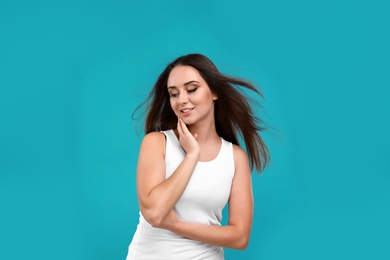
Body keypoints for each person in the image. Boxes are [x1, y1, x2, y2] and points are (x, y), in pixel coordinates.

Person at [126, 53, 270, 259]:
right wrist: (191, 156)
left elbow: (240, 237)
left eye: (191, 89)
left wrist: (177, 225)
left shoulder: (234, 157)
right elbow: (155, 213)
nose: (181, 100)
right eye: (173, 94)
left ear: (214, 92)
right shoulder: (157, 142)